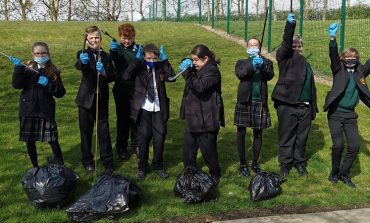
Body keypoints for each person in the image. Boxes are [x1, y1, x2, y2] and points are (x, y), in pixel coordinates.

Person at [271, 12, 318, 178]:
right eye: (294, 46)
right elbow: (285, 43)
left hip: (305, 107)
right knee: (286, 135)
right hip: (287, 105)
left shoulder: (306, 63)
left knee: (302, 137)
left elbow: (310, 86)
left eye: (299, 46)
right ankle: (285, 164)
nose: (296, 48)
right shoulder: (284, 58)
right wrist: (290, 26)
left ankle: (299, 163)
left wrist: (313, 107)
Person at [324, 23, 370, 188]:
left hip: (350, 115)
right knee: (338, 145)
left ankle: (344, 174)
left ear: (358, 59)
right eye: (348, 58)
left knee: (355, 146)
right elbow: (332, 55)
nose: (352, 60)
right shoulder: (338, 69)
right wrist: (332, 38)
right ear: (343, 59)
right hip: (336, 114)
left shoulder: (360, 71)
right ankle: (334, 172)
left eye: (355, 58)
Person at [10, 42, 65, 168]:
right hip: (28, 110)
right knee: (30, 141)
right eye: (37, 53)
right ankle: (35, 167)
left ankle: (61, 167)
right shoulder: (27, 68)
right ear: (33, 54)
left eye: (43, 53)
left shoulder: (53, 71)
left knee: (53, 140)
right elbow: (17, 85)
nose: (41, 55)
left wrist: (49, 84)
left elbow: (61, 93)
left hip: (46, 111)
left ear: (48, 53)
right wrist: (18, 68)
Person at [123, 43, 175, 180]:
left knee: (160, 138)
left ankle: (158, 165)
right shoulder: (139, 67)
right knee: (143, 138)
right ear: (144, 57)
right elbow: (126, 76)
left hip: (159, 108)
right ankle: (142, 167)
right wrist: (137, 60)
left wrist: (165, 61)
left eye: (154, 59)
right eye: (149, 58)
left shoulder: (160, 67)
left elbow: (171, 77)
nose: (151, 61)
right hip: (144, 108)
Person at [179, 44, 225, 185]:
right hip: (193, 116)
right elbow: (194, 81)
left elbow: (200, 87)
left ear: (205, 59)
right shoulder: (200, 68)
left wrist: (188, 74)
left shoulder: (213, 71)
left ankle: (215, 173)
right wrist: (187, 64)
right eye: (192, 60)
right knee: (188, 150)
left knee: (208, 150)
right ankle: (190, 172)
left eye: (195, 60)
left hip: (206, 118)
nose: (194, 63)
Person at [75, 26, 115, 175]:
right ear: (86, 40)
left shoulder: (106, 56)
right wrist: (83, 62)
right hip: (85, 99)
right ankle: (87, 160)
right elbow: (79, 65)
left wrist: (104, 72)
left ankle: (108, 161)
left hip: (101, 99)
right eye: (91, 38)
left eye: (96, 38)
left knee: (103, 131)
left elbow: (113, 75)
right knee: (86, 132)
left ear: (100, 39)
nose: (94, 40)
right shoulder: (82, 53)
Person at [234, 38, 274, 177]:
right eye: (250, 45)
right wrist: (252, 65)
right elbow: (241, 74)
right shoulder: (242, 62)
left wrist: (262, 66)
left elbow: (270, 76)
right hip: (244, 101)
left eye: (255, 45)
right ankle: (243, 163)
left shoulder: (267, 62)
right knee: (241, 133)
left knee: (258, 133)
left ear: (260, 47)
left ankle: (255, 163)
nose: (253, 47)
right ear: (247, 47)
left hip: (259, 101)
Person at [109, 23, 141, 161]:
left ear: (134, 37)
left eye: (130, 38)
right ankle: (121, 147)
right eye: (124, 38)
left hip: (137, 88)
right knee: (123, 119)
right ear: (120, 37)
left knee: (136, 118)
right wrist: (113, 52)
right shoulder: (117, 49)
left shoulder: (139, 49)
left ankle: (136, 145)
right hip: (121, 88)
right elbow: (117, 62)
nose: (127, 41)